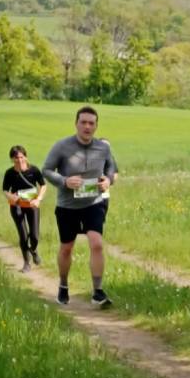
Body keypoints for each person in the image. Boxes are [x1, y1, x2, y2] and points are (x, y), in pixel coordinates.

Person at [41, 106, 117, 309]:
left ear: (96, 126)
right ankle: (63, 285)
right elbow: (46, 170)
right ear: (76, 124)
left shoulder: (103, 147)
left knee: (97, 243)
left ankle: (98, 292)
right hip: (67, 206)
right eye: (83, 122)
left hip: (93, 203)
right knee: (67, 248)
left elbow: (112, 169)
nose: (87, 126)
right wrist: (65, 181)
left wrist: (107, 181)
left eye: (91, 123)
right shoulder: (62, 146)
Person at [2, 145, 47, 273]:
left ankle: (33, 250)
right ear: (12, 159)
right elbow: (5, 190)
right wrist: (10, 196)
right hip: (16, 205)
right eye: (16, 158)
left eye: (22, 157)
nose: (20, 160)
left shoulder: (34, 170)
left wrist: (39, 199)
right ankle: (26, 263)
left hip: (32, 205)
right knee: (23, 235)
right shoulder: (9, 173)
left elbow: (43, 185)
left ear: (26, 157)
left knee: (35, 236)